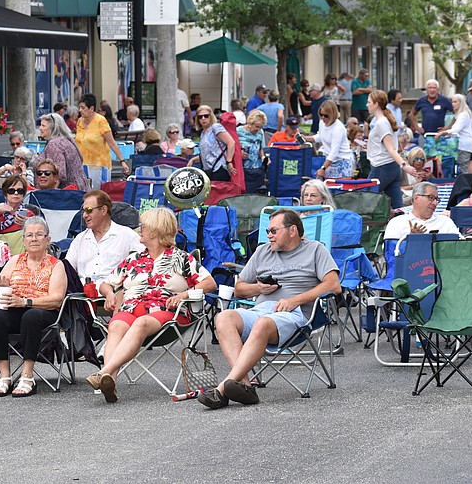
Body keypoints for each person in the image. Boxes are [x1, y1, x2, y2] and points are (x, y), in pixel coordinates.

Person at [198, 208, 340, 409]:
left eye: (274, 231)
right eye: (267, 231)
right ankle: (244, 385)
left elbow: (333, 285)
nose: (269, 236)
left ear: (292, 230)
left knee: (263, 323)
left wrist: (296, 300)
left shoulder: (315, 249)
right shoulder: (262, 251)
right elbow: (239, 288)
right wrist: (258, 288)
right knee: (224, 317)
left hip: (295, 315)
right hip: (261, 310)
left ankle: (221, 389)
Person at [87, 208, 216, 403]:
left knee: (141, 323)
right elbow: (106, 282)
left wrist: (184, 294)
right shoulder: (134, 259)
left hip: (167, 313)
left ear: (156, 230)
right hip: (130, 308)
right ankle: (109, 381)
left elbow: (210, 283)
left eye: (144, 226)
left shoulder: (181, 259)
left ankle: (104, 371)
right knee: (115, 325)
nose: (140, 230)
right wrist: (109, 294)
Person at [0, 217, 67, 397]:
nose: (34, 239)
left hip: (44, 312)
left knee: (31, 317)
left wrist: (26, 301)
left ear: (48, 239)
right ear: (23, 240)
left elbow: (57, 299)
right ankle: (5, 375)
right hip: (15, 309)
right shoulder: (15, 261)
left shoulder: (56, 265)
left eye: (39, 234)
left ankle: (27, 375)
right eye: (29, 235)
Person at [65, 190, 144, 289]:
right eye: (83, 211)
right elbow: (67, 270)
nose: (84, 215)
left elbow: (144, 264)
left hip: (115, 295)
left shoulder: (127, 235)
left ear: (103, 210)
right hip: (81, 296)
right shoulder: (80, 239)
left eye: (89, 210)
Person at [366, 90, 418, 209]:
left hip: (382, 167)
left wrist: (405, 166)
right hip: (392, 169)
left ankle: (370, 227)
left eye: (369, 102)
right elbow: (387, 145)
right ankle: (404, 226)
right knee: (398, 207)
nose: (367, 105)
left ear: (376, 104)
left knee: (367, 201)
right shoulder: (385, 120)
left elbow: (391, 149)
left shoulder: (381, 123)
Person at [384, 181, 460, 244]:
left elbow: (460, 245)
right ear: (416, 198)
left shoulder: (445, 222)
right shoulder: (397, 222)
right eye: (431, 198)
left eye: (437, 200)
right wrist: (411, 240)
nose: (435, 203)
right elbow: (391, 254)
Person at [75, 93, 130, 177]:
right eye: (79, 108)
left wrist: (122, 161)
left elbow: (112, 143)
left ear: (91, 109)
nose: (80, 110)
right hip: (83, 166)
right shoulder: (79, 121)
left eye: (83, 108)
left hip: (99, 166)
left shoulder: (101, 121)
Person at [34, 113, 88, 190]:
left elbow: (59, 174)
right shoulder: (66, 141)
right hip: (79, 190)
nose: (40, 128)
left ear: (53, 128)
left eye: (43, 126)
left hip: (67, 195)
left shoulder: (54, 144)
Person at [187, 105, 237, 182]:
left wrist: (229, 161)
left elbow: (231, 142)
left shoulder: (216, 127)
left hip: (219, 168)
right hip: (209, 171)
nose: (203, 118)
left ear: (211, 116)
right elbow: (206, 154)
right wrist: (193, 160)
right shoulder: (203, 133)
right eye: (200, 117)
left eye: (206, 116)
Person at [312, 101, 354, 179]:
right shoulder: (322, 122)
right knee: (328, 187)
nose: (323, 118)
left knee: (342, 189)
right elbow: (320, 136)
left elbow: (334, 151)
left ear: (332, 115)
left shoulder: (338, 128)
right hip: (330, 161)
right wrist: (306, 138)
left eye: (326, 116)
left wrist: (323, 168)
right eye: (321, 115)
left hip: (342, 160)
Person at [437, 94, 472, 174]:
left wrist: (444, 132)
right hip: (465, 144)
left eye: (455, 102)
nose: (452, 104)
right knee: (463, 166)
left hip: (463, 145)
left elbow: (458, 128)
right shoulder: (465, 114)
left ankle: (464, 183)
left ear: (461, 103)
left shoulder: (463, 115)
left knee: (463, 167)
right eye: (452, 102)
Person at [237, 110, 267, 194]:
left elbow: (261, 147)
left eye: (260, 127)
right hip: (243, 169)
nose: (258, 129)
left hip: (257, 168)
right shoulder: (238, 131)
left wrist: (263, 157)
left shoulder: (260, 132)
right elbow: (233, 148)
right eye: (257, 126)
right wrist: (240, 153)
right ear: (250, 123)